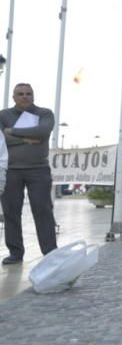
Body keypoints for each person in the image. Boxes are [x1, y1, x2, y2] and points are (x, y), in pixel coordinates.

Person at [0, 84, 57, 264]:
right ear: (13, 97)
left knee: (43, 211)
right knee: (11, 213)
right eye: (20, 94)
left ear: (33, 95)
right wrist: (27, 139)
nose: (25, 96)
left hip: (38, 170)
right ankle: (16, 253)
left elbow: (42, 131)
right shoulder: (3, 115)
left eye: (28, 94)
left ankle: (50, 252)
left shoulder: (45, 114)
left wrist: (13, 132)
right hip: (10, 171)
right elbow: (1, 139)